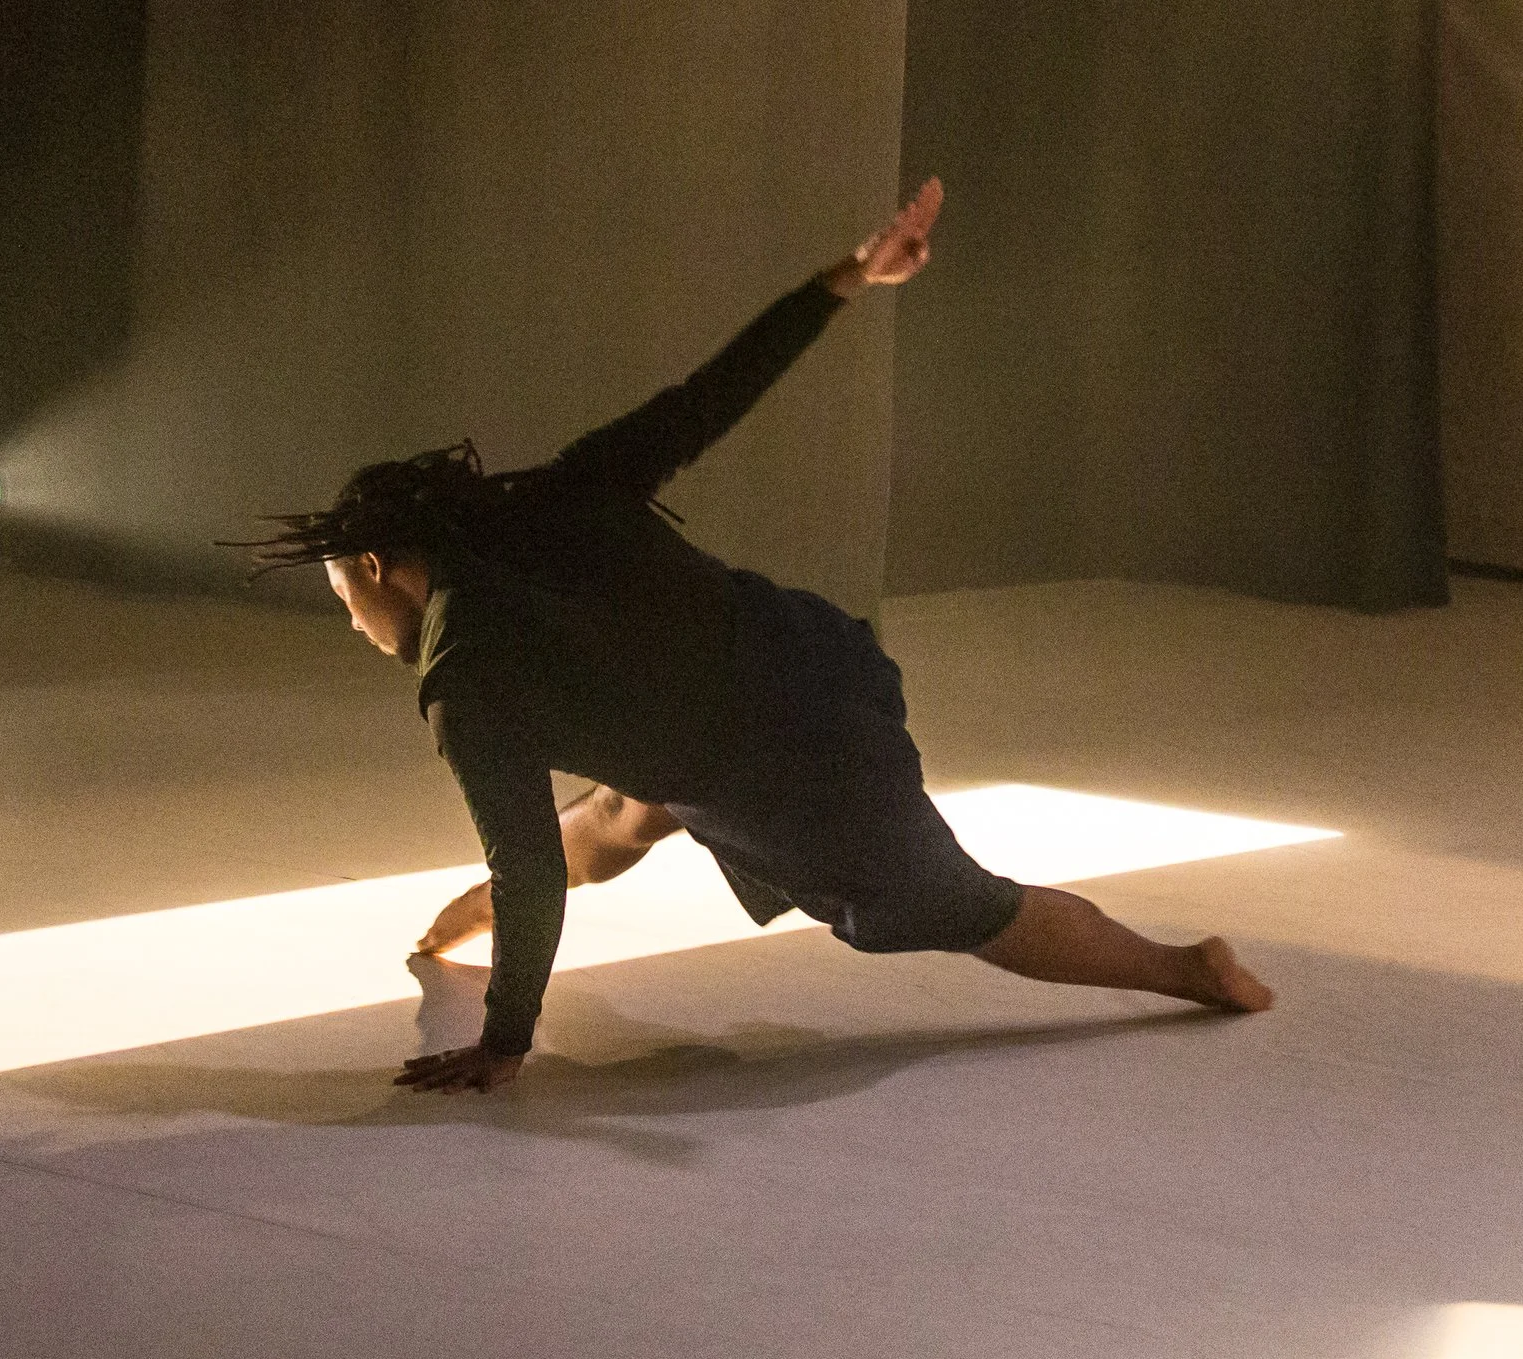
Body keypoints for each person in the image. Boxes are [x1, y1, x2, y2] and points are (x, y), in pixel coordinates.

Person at [232, 178, 1271, 1095]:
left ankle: (1186, 968)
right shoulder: (554, 497)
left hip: (804, 766)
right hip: (814, 652)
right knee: (627, 809)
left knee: (965, 908)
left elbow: (529, 865)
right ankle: (469, 916)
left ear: (379, 565)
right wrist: (845, 280)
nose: (354, 623)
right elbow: (708, 398)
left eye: (345, 598)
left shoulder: (463, 672)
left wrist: (504, 1042)